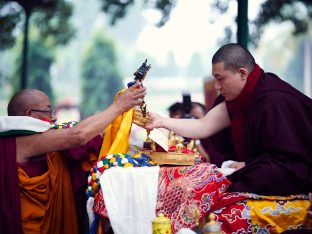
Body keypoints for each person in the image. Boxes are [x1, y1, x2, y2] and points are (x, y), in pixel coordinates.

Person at [144, 43, 312, 196]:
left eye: (220, 78)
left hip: (297, 170)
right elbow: (204, 125)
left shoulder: (273, 100)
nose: (216, 86)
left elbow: (286, 159)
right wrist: (162, 121)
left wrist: (249, 167)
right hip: (265, 167)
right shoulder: (238, 98)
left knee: (233, 184)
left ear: (242, 73)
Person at [0, 82, 146, 234]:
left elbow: (82, 135)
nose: (54, 117)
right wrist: (118, 106)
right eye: (48, 112)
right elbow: (78, 136)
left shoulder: (44, 140)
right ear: (29, 114)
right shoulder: (19, 140)